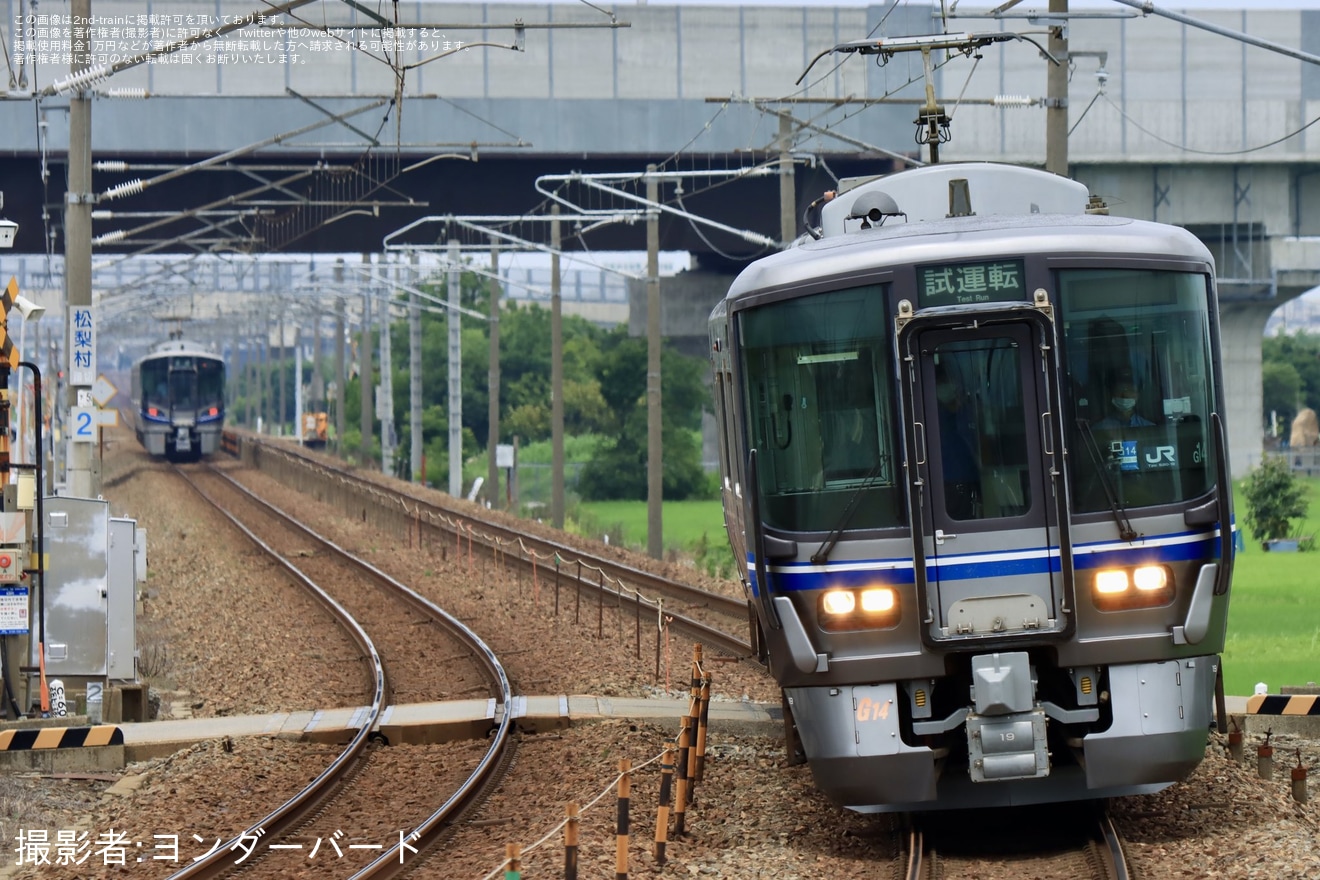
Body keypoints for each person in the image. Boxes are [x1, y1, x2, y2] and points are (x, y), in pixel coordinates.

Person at [936, 365, 981, 519]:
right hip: (949, 482)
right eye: (945, 382)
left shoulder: (963, 410)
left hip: (967, 480)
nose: (952, 387)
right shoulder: (935, 414)